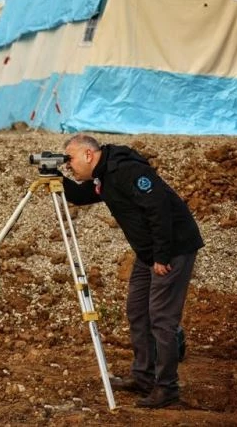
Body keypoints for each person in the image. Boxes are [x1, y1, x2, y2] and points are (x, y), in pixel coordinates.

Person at [60, 134, 203, 409]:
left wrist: (161, 255)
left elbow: (159, 208)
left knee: (162, 319)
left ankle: (167, 388)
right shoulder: (104, 174)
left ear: (89, 154)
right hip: (148, 252)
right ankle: (143, 376)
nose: (69, 165)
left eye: (71, 159)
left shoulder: (126, 169)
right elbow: (81, 196)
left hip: (172, 249)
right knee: (138, 310)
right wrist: (55, 177)